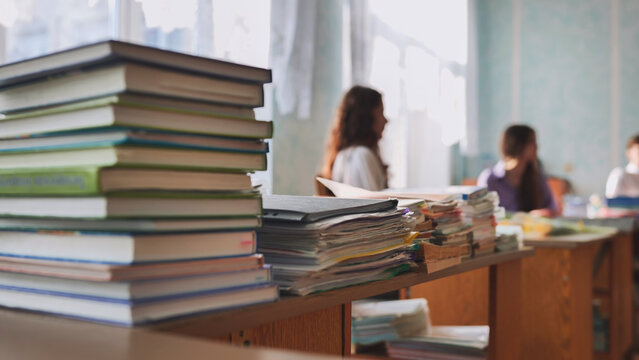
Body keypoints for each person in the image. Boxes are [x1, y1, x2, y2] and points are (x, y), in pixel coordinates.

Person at [477, 124, 558, 216]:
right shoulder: (489, 178)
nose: (537, 146)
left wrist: (543, 213)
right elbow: (482, 215)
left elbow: (551, 208)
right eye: (532, 141)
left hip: (530, 229)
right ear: (518, 145)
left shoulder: (537, 176)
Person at [320, 85, 389, 191]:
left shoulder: (343, 155)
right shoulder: (362, 155)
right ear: (366, 119)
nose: (386, 120)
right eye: (380, 113)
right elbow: (375, 204)